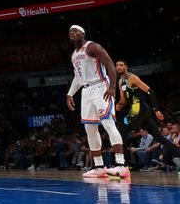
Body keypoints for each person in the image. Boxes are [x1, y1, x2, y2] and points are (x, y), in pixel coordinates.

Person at [66, 24, 129, 178]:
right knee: (90, 129)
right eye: (70, 32)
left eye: (75, 31)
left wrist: (112, 87)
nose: (72, 33)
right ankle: (99, 166)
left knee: (108, 123)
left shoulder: (92, 47)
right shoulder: (74, 54)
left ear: (82, 34)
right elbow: (77, 77)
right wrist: (70, 94)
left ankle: (121, 164)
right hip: (86, 90)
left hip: (101, 86)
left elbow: (110, 65)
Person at [114, 59, 180, 168]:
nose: (119, 67)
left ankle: (124, 164)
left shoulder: (132, 77)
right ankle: (177, 154)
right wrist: (119, 105)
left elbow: (149, 91)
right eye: (117, 65)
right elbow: (123, 100)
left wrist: (156, 109)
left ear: (126, 67)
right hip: (136, 110)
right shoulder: (120, 81)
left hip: (139, 108)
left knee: (122, 127)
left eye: (121, 65)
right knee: (159, 137)